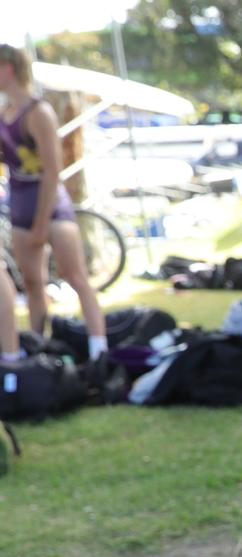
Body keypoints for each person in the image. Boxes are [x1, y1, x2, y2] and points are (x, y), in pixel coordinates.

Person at [0, 44, 107, 359]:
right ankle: (38, 346)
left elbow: (53, 172)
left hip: (50, 207)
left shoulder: (39, 112)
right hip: (20, 206)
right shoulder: (6, 114)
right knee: (33, 283)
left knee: (75, 277)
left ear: (8, 68)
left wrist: (42, 221)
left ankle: (99, 347)